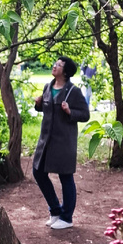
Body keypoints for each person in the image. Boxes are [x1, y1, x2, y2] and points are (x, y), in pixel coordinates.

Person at [32, 56, 89, 230]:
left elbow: (85, 114)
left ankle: (66, 217)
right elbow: (46, 110)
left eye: (58, 64)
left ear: (65, 72)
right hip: (46, 141)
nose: (54, 66)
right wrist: (39, 104)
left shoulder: (73, 91)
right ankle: (55, 211)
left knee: (65, 177)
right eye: (55, 63)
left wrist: (70, 111)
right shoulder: (48, 87)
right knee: (38, 172)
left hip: (64, 141)